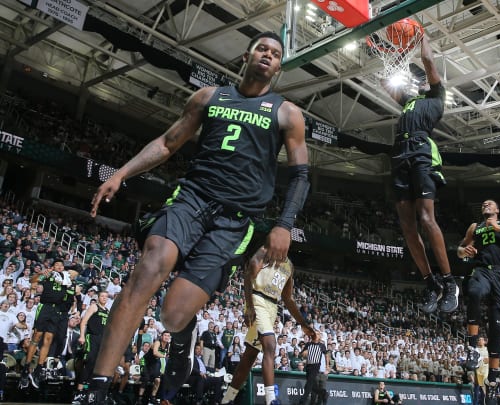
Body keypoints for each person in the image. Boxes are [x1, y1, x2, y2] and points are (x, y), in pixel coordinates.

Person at [86, 31, 309, 403]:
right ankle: (95, 389)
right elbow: (167, 143)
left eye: (275, 53)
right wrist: (122, 173)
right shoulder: (209, 97)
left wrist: (284, 224)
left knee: (172, 316)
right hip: (192, 198)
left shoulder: (287, 113)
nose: (267, 55)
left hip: (235, 221)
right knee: (149, 268)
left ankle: (183, 328)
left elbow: (301, 176)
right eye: (261, 49)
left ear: (278, 67)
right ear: (246, 56)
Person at [380, 31, 458, 314]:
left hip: (421, 152)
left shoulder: (436, 97)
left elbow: (427, 60)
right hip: (399, 155)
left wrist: (419, 35)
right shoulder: (408, 102)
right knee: (407, 227)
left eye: (426, 79)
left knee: (426, 218)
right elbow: (384, 81)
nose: (423, 80)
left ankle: (450, 282)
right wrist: (397, 55)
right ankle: (431, 283)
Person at [220, 247, 314, 405]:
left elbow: (288, 299)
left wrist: (303, 324)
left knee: (249, 356)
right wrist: (249, 306)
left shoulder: (289, 266)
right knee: (270, 345)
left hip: (272, 307)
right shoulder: (265, 252)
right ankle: (271, 400)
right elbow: (248, 275)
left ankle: (227, 399)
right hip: (257, 299)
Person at [457, 200, 500, 389]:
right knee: (474, 291)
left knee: (496, 326)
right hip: (482, 270)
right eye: (483, 204)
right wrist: (464, 251)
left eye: (490, 204)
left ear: (497, 210)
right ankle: (472, 347)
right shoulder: (475, 227)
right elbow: (459, 250)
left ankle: (494, 377)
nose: (485, 204)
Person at [24, 258, 78, 389]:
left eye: (61, 265)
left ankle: (39, 369)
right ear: (53, 267)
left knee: (48, 339)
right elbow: (32, 281)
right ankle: (26, 368)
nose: (59, 266)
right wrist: (42, 272)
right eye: (56, 265)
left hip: (57, 310)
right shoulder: (48, 275)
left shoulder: (67, 277)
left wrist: (64, 271)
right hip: (45, 307)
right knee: (37, 337)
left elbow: (75, 272)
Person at [73, 291, 110, 404]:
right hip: (92, 337)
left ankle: (87, 392)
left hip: (101, 340)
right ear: (98, 298)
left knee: (95, 366)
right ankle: (79, 393)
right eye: (102, 296)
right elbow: (84, 322)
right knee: (89, 361)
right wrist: (82, 336)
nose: (104, 298)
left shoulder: (107, 311)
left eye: (106, 296)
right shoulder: (94, 307)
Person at [299, 332, 330, 405]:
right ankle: (323, 393)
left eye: (318, 334)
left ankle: (302, 401)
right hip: (308, 366)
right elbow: (302, 354)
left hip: (315, 366)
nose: (316, 335)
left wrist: (327, 366)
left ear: (319, 337)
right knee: (312, 386)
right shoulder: (308, 344)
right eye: (315, 333)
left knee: (308, 385)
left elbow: (326, 355)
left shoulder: (321, 345)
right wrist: (304, 354)